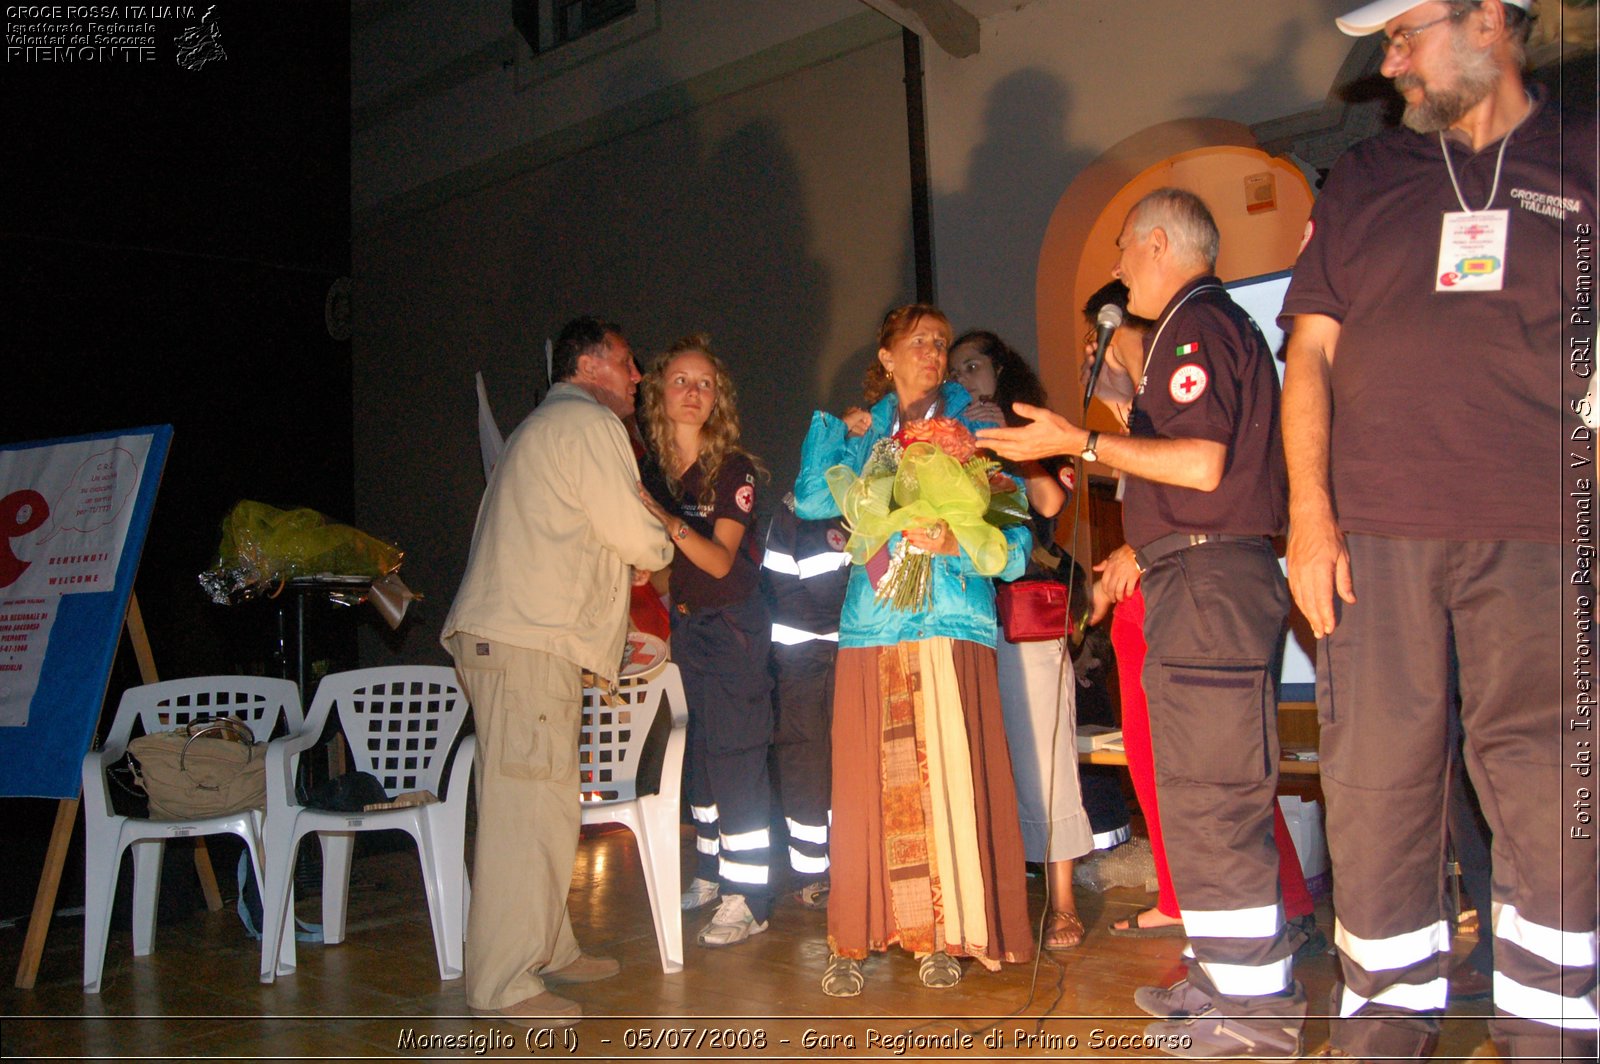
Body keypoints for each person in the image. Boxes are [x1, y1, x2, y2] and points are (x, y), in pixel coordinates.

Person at [1281, 2, 1597, 1059]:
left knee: (1551, 782)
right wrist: (1309, 517)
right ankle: (1385, 1020)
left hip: (1543, 528)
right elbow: (1309, 357)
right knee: (1373, 783)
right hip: (1374, 533)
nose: (1389, 57)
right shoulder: (1366, 180)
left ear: (1490, 22)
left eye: (1408, 30)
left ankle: (1551, 1027)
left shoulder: (1588, 157)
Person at [981, 190, 1304, 1059]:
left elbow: (1201, 463)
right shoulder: (1197, 331)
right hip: (1190, 576)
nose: (1117, 266)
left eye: (1124, 249)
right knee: (1198, 800)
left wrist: (1081, 443)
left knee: (1216, 800)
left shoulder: (1194, 328)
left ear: (1159, 244)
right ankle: (1221, 979)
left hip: (1207, 577)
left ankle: (1254, 1021)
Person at [795, 303, 1034, 998]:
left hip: (951, 619)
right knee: (873, 783)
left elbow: (1016, 544)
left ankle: (947, 935)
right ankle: (860, 932)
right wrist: (836, 431)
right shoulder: (863, 432)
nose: (933, 352)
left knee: (948, 781)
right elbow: (813, 501)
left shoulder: (976, 427)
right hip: (874, 623)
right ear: (887, 355)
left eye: (941, 342)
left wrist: (958, 543)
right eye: (919, 342)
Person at [441, 316, 673, 1028]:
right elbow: (635, 535)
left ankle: (548, 946)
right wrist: (663, 541)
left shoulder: (544, 428)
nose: (638, 378)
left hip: (521, 642)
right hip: (525, 644)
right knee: (525, 812)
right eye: (629, 363)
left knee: (545, 802)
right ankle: (504, 981)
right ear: (592, 363)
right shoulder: (587, 426)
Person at [1077, 282, 1322, 956]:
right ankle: (1184, 895)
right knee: (1171, 765)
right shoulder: (1143, 405)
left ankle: (1280, 904)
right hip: (1154, 596)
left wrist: (1131, 544)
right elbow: (1153, 494)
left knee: (1215, 766)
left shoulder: (1192, 362)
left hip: (1190, 586)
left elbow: (1197, 487)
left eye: (1097, 341)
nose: (1088, 357)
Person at [951, 329, 1093, 952]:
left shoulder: (1038, 433)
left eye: (974, 366)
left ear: (1002, 369)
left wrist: (1009, 445)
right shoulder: (953, 441)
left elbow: (1050, 500)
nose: (964, 378)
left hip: (1026, 615)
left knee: (1045, 752)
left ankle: (1062, 900)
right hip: (966, 614)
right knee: (985, 754)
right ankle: (996, 888)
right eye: (956, 371)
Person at [636, 333, 775, 948]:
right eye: (681, 381)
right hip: (689, 627)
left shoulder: (732, 469)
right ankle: (716, 875)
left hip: (733, 627)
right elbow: (673, 567)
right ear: (659, 394)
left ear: (718, 400)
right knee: (703, 759)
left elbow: (719, 562)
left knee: (738, 758)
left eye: (705, 384)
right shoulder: (656, 471)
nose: (693, 393)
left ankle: (751, 897)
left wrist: (664, 523)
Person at [760, 495, 850, 910]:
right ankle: (812, 873)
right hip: (808, 661)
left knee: (827, 766)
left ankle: (837, 865)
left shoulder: (827, 503)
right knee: (809, 767)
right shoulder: (812, 506)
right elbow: (828, 591)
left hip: (823, 657)